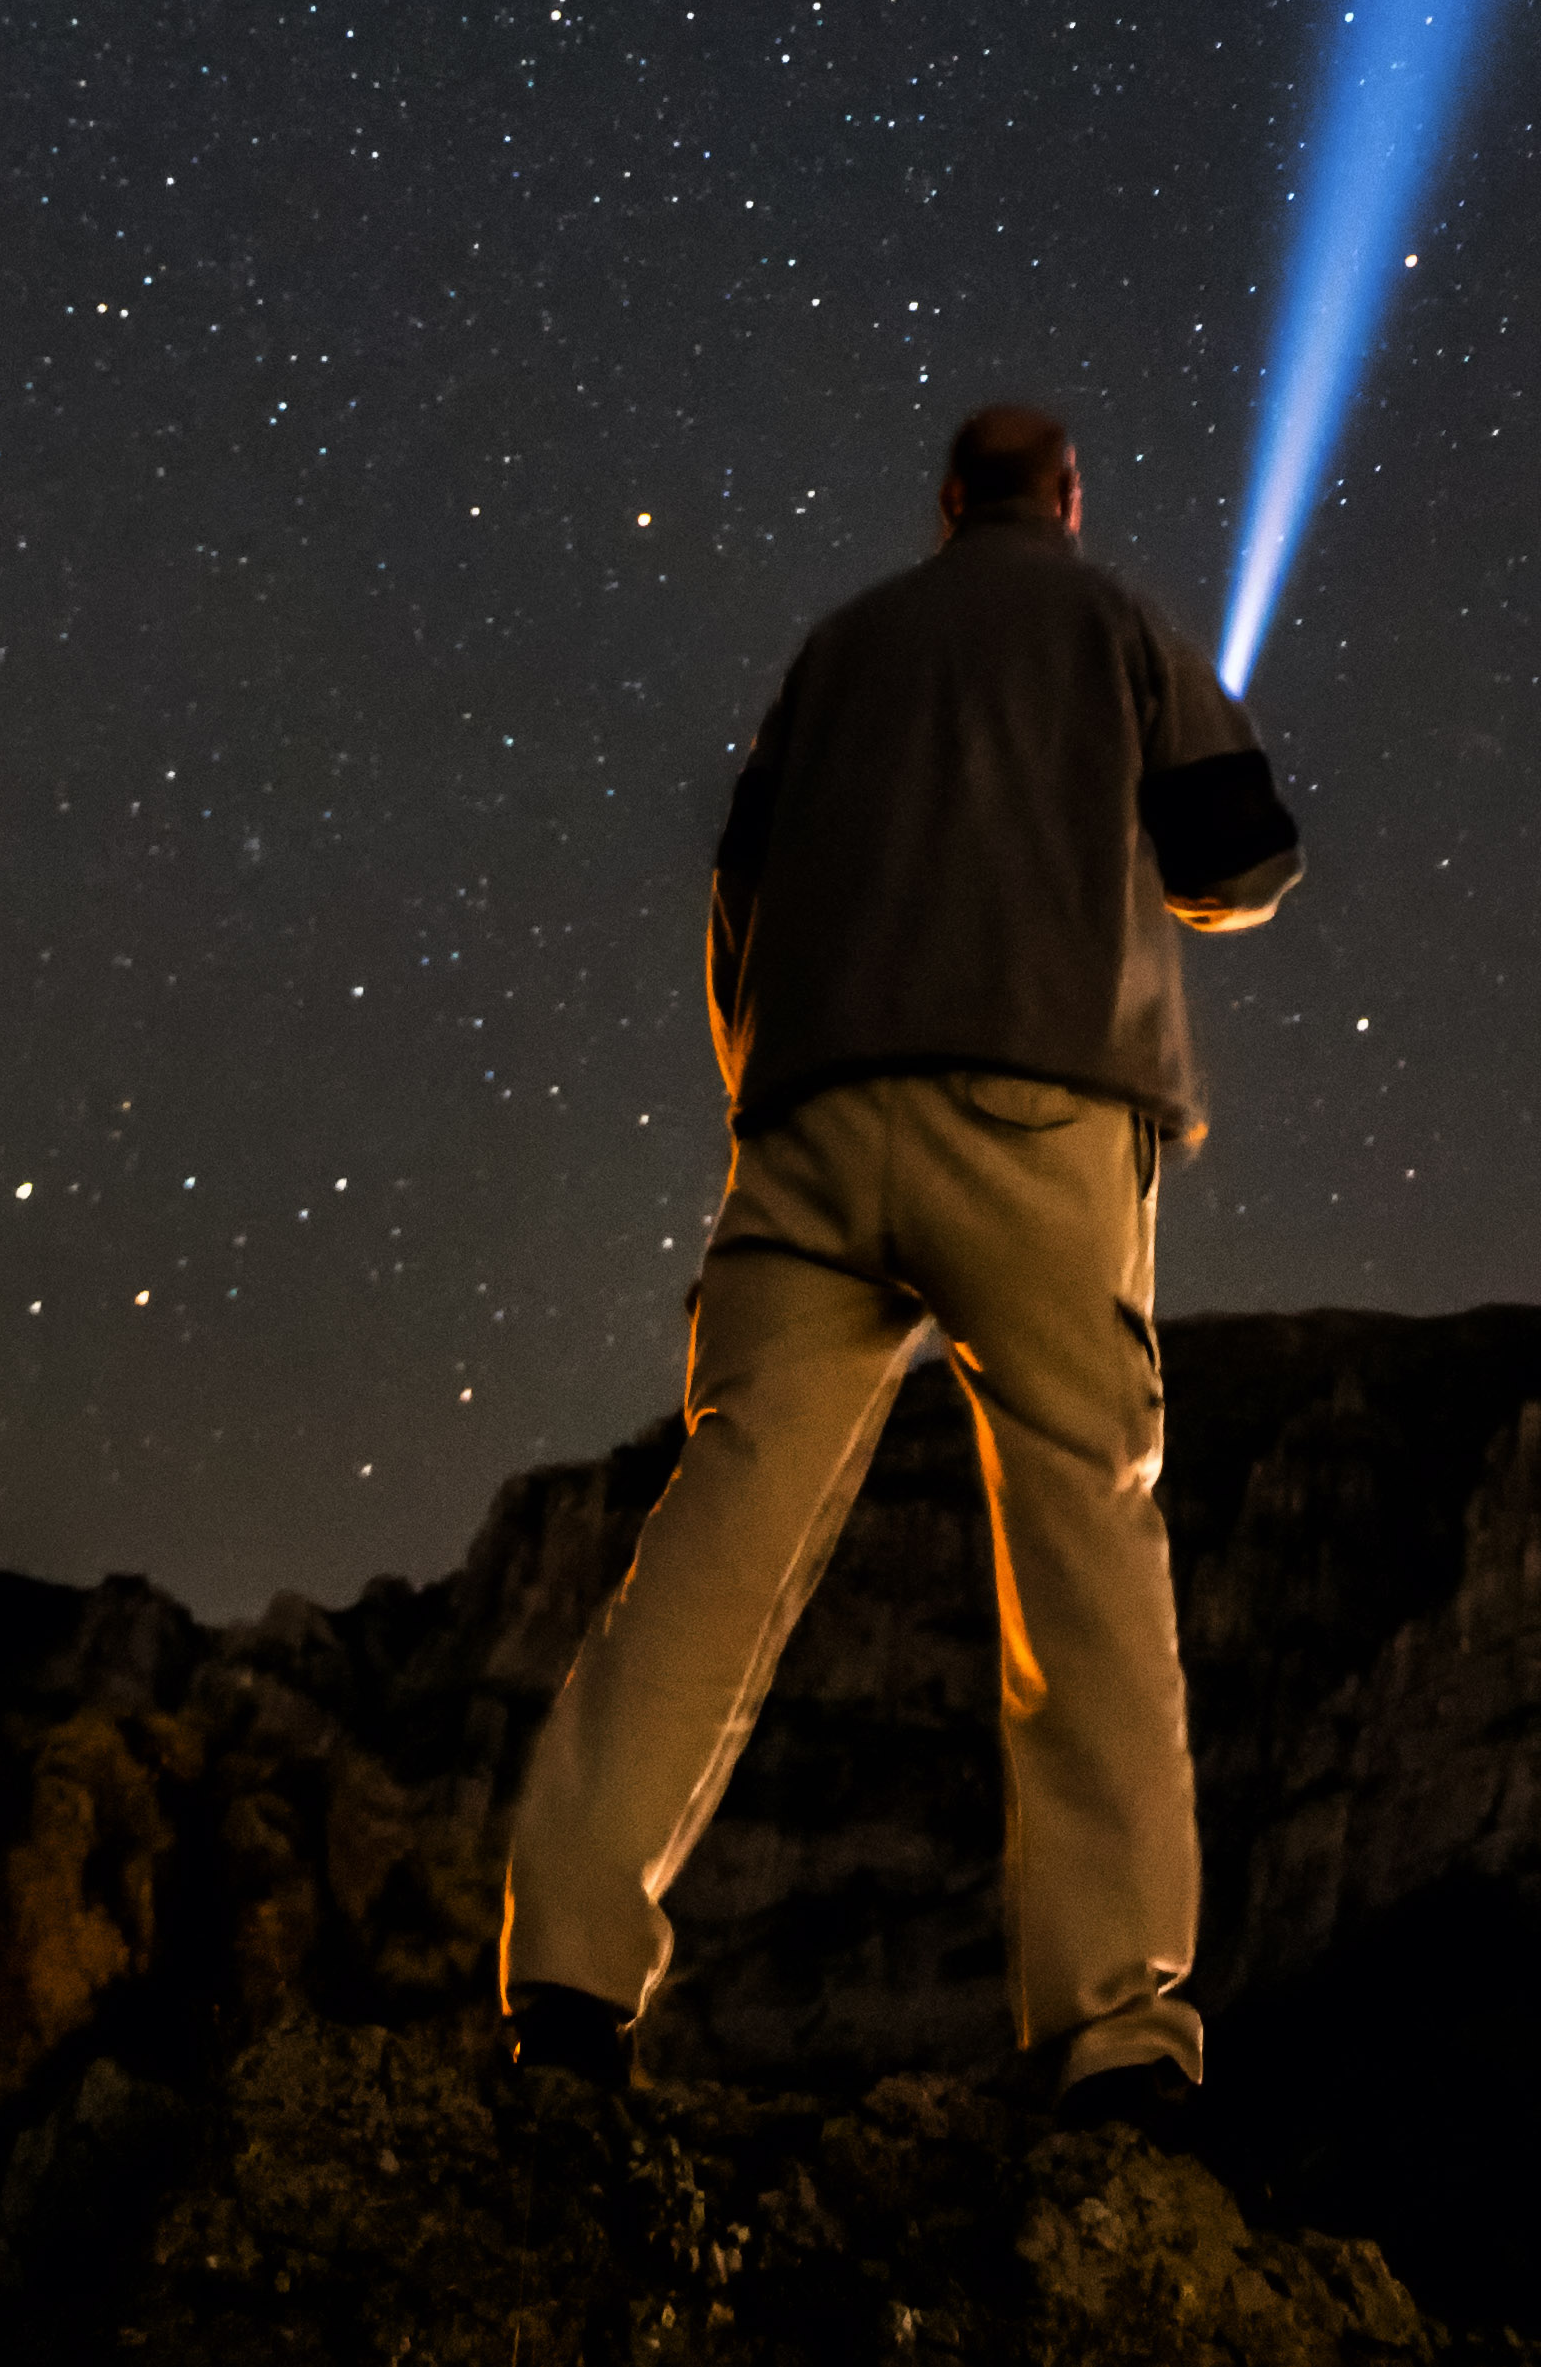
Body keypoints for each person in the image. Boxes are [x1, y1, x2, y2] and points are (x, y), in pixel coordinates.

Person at [499, 400, 1305, 2120]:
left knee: (722, 1529)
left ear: (945, 505)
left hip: (805, 1123)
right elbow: (1241, 856)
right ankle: (1108, 2032)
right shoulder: (1118, 625)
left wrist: (767, 1092)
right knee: (1083, 1522)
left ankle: (567, 1972)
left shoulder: (838, 650)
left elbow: (737, 886)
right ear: (1067, 502)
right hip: (1038, 1109)